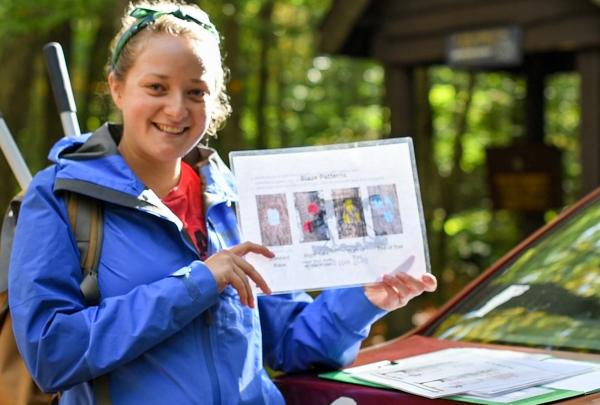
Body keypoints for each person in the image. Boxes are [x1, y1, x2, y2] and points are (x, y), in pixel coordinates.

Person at [8, 1, 437, 404]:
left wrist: (365, 298)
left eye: (196, 92)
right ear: (117, 88)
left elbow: (292, 344)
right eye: (156, 87)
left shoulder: (237, 201)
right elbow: (52, 354)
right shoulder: (59, 196)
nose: (176, 109)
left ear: (215, 105)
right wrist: (196, 284)